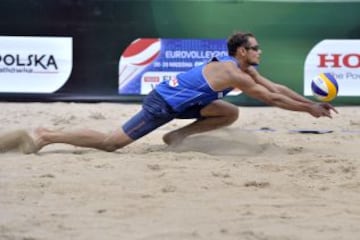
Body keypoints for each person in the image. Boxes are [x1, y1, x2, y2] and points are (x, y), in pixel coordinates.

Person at [3, 31, 337, 154]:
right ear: (241, 52)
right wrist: (309, 111)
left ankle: (175, 139)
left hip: (186, 103)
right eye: (256, 48)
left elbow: (275, 87)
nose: (260, 52)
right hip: (162, 103)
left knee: (229, 112)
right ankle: (47, 135)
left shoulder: (244, 69)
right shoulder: (234, 72)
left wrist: (309, 103)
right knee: (111, 143)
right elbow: (272, 99)